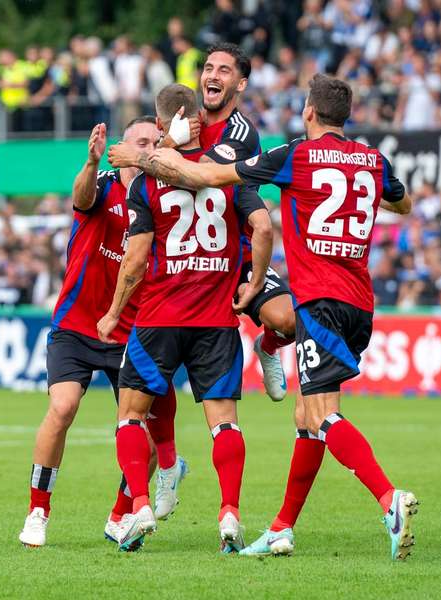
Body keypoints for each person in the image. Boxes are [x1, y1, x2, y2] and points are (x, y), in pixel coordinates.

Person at [147, 74, 418, 560]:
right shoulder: (373, 161)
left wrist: (145, 156)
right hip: (360, 303)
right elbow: (402, 201)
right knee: (304, 415)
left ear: (309, 112)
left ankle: (387, 498)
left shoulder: (296, 154)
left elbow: (208, 177)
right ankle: (281, 527)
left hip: (318, 302)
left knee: (323, 414)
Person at [96, 84, 273, 552]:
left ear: (160, 125)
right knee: (225, 424)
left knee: (130, 417)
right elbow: (262, 225)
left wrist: (114, 313)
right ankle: (230, 514)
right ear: (199, 120)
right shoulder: (225, 174)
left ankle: (138, 507)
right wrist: (253, 284)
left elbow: (134, 261)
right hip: (216, 319)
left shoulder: (147, 183)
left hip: (159, 316)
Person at [18, 118, 185, 550]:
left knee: (145, 439)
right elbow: (81, 197)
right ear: (122, 147)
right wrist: (91, 163)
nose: (148, 147)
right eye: (140, 141)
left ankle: (119, 516)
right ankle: (38, 510)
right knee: (63, 407)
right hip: (77, 325)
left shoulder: (165, 196)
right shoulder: (105, 183)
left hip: (132, 333)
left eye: (155, 141)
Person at [109, 43, 295, 402]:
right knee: (151, 382)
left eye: (224, 71)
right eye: (208, 68)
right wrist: (165, 141)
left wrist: (144, 155)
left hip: (234, 251)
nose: (212, 75)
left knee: (286, 319)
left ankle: (269, 347)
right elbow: (148, 179)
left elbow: (198, 176)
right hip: (181, 253)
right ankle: (167, 457)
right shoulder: (181, 118)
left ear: (240, 85)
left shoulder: (240, 133)